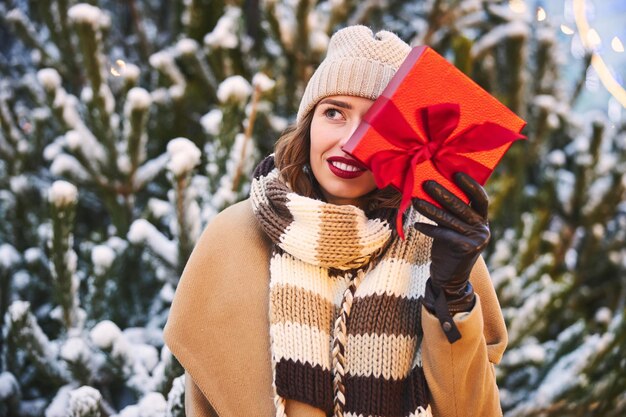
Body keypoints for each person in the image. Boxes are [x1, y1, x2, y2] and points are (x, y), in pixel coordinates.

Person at [164, 25, 507, 417]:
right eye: (334, 113)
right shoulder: (233, 238)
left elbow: (475, 410)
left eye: (379, 125)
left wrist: (451, 297)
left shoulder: (436, 242)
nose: (350, 141)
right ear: (309, 122)